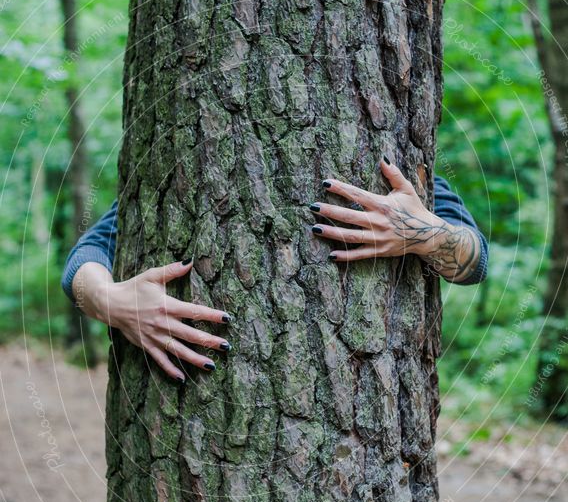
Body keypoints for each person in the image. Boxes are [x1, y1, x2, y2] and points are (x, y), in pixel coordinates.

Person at [62, 159, 488, 381]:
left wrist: (426, 235)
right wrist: (111, 301)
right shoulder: (169, 171)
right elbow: (86, 257)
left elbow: (474, 262)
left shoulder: (406, 176)